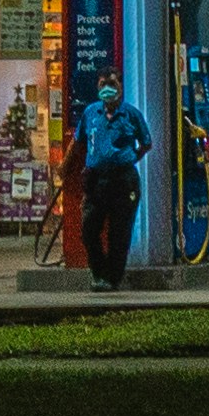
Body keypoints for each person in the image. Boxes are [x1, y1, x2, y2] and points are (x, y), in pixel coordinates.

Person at [67, 75, 152, 290]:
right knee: (89, 229)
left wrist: (129, 159)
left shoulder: (131, 114)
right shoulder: (91, 113)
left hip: (123, 179)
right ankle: (99, 273)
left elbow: (146, 143)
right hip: (96, 179)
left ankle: (112, 279)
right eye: (103, 84)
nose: (107, 89)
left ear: (121, 87)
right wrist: (67, 166)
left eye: (112, 84)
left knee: (119, 232)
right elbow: (78, 141)